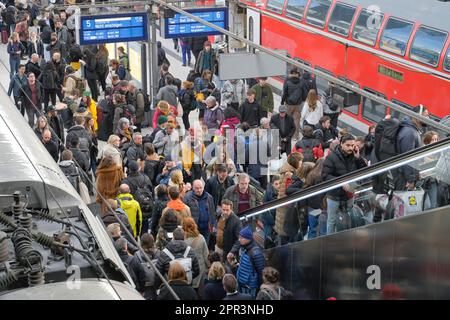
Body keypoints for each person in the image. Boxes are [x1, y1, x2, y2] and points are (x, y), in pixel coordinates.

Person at [322, 134, 367, 234]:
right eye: (348, 145)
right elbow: (325, 176)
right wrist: (341, 183)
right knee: (332, 221)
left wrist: (358, 157)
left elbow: (364, 171)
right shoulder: (331, 157)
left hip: (349, 194)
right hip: (334, 195)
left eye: (352, 145)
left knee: (350, 217)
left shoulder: (354, 156)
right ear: (341, 144)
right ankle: (330, 240)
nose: (351, 148)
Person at [227, 226, 265, 299]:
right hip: (244, 286)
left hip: (251, 288)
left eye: (241, 238)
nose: (239, 239)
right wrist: (235, 265)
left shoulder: (256, 253)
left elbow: (261, 272)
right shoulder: (245, 249)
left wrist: (259, 289)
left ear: (248, 238)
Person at [275, 152, 303, 244]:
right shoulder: (290, 175)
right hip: (286, 209)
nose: (301, 163)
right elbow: (287, 192)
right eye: (300, 161)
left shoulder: (287, 172)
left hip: (283, 207)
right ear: (295, 162)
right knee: (286, 237)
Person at [182, 217, 209, 293]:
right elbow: (206, 255)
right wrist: (209, 266)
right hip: (200, 270)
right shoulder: (201, 238)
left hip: (187, 271)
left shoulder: (182, 240)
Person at [302, 158, 326, 239]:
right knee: (323, 229)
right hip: (323, 206)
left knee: (313, 228)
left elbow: (305, 188)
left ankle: (311, 246)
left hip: (312, 206)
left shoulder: (311, 174)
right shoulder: (325, 175)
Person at [282, 68, 306, 141]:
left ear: (291, 74)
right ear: (296, 74)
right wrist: (301, 100)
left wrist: (282, 102)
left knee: (287, 119)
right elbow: (304, 93)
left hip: (289, 104)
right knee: (296, 120)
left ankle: (287, 134)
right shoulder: (301, 82)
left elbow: (284, 93)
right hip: (298, 105)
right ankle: (295, 136)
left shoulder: (287, 82)